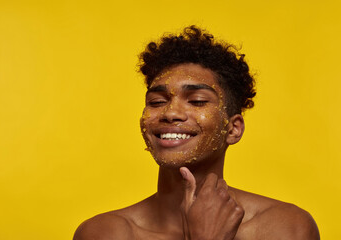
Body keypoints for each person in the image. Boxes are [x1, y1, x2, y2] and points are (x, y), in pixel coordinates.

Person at [73, 26, 320, 240]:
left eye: (198, 101)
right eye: (157, 102)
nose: (170, 113)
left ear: (233, 129)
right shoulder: (105, 233)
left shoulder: (284, 227)